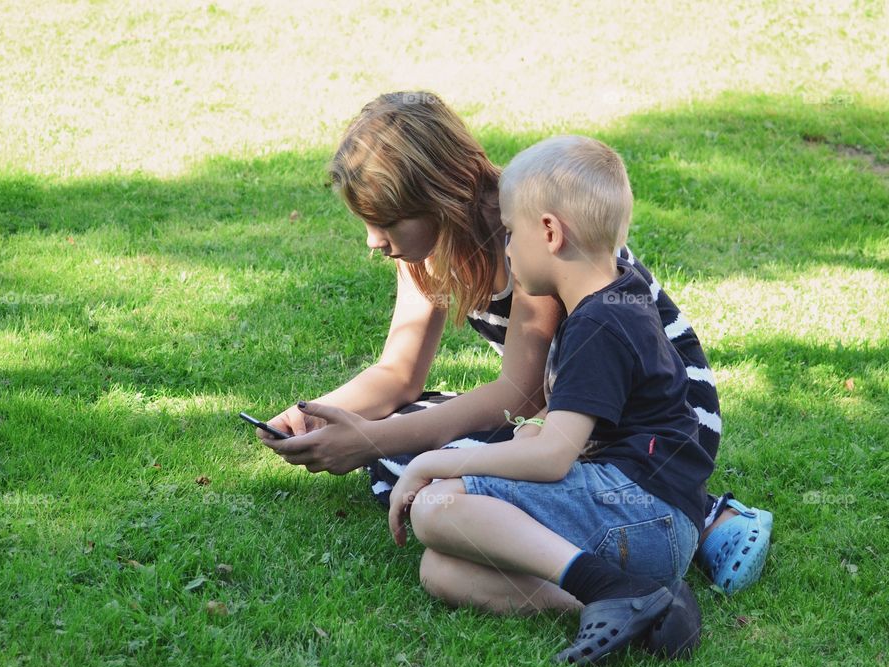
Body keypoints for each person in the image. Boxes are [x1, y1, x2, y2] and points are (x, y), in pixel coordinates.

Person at [260, 91, 772, 596]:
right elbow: (400, 373)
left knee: (418, 473)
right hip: (562, 410)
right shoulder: (429, 249)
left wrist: (376, 439)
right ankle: (616, 589)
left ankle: (705, 516)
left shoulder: (535, 239)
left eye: (388, 222)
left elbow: (521, 396)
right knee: (402, 454)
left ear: (439, 198)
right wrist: (319, 415)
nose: (373, 239)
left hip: (641, 424)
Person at [389, 134, 708, 664]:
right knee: (440, 570)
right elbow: (583, 418)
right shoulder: (615, 297)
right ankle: (643, 604)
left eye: (511, 233)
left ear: (550, 232)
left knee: (436, 506)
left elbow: (551, 457)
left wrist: (431, 461)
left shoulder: (600, 322)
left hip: (643, 515)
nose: (507, 248)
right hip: (648, 528)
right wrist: (538, 421)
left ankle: (613, 588)